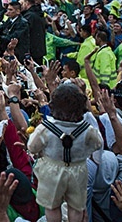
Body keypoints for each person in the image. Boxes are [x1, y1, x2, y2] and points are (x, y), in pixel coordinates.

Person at [28, 83, 103, 222]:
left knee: (52, 206)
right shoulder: (87, 129)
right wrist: (83, 151)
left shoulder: (45, 128)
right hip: (78, 168)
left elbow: (32, 147)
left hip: (51, 169)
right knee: (76, 206)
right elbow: (98, 143)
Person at [22, 0, 47, 65]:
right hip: (39, 49)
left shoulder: (29, 16)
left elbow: (24, 32)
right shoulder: (39, 14)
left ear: (26, 3)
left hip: (31, 51)